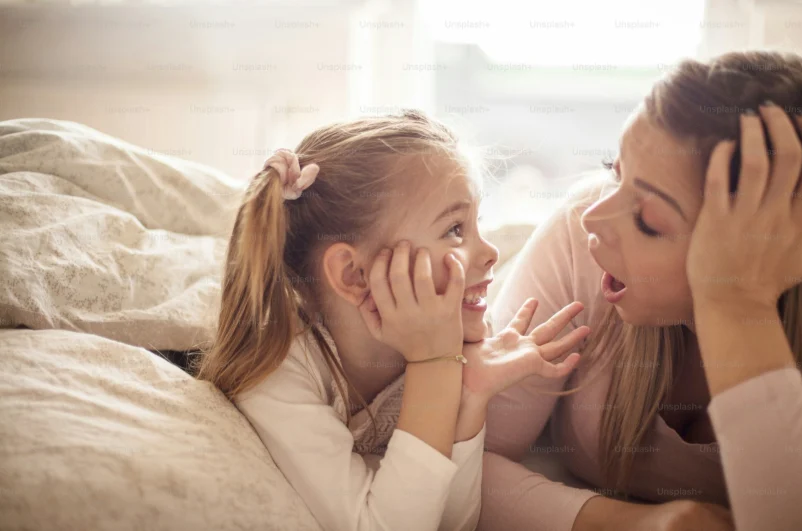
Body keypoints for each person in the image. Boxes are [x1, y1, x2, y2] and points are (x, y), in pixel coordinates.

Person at [480, 51, 802, 531]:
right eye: (615, 172)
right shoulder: (578, 232)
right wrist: (634, 523)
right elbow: (459, 464)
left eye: (649, 221)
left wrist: (734, 303)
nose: (593, 218)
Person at [195, 110, 589, 531]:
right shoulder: (280, 372)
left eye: (478, 222)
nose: (491, 253)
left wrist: (470, 397)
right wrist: (433, 366)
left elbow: (454, 521)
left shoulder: (444, 340)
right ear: (354, 274)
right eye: (455, 229)